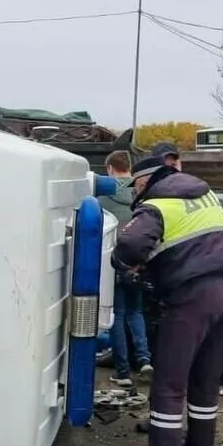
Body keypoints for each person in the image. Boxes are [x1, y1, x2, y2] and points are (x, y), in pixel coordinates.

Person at [111, 150, 223, 446]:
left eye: (135, 185)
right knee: (205, 381)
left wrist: (127, 265)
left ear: (145, 180)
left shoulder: (157, 204)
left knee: (168, 383)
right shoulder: (204, 193)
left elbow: (129, 246)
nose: (135, 191)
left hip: (192, 297)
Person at [96, 150, 152, 385]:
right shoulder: (141, 192)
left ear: (110, 168)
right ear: (129, 167)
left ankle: (122, 372)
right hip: (138, 261)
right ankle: (144, 359)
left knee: (117, 315)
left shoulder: (101, 195)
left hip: (115, 262)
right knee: (136, 312)